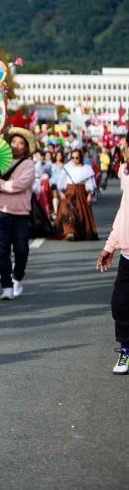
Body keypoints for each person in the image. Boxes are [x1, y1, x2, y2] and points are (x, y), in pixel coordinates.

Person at [0, 128, 36, 300]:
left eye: (21, 143)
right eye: (14, 142)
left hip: (21, 215)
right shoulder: (0, 161)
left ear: (25, 147)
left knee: (21, 251)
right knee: (1, 251)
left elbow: (20, 185)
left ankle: (17, 277)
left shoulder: (28, 165)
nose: (16, 146)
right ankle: (6, 285)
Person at [96, 140, 129, 374]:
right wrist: (110, 247)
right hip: (128, 255)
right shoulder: (127, 177)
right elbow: (122, 216)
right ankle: (126, 349)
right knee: (121, 304)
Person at [56, 148, 98, 241]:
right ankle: (69, 232)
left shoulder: (87, 169)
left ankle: (78, 232)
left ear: (81, 158)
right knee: (67, 210)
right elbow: (61, 181)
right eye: (73, 157)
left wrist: (90, 195)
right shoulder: (67, 168)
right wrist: (61, 193)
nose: (75, 160)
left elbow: (90, 182)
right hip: (69, 192)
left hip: (81, 192)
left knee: (80, 214)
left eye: (77, 158)